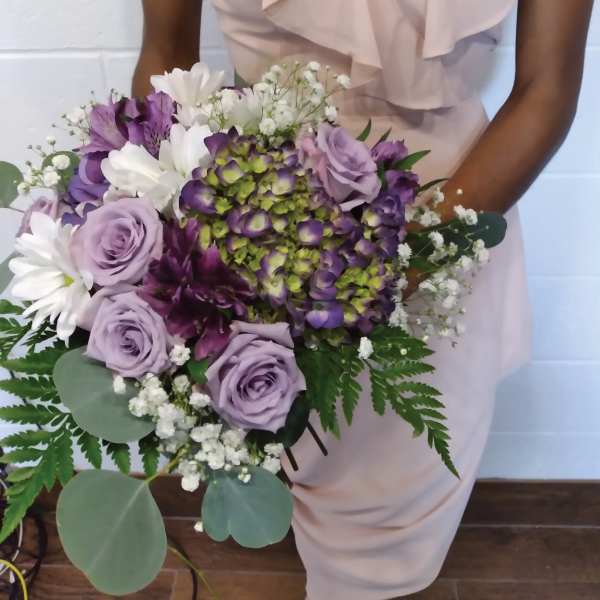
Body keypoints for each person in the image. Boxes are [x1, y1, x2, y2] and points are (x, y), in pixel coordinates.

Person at [133, 1, 593, 598]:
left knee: (390, 522)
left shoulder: (418, 256)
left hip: (442, 217)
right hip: (245, 227)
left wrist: (387, 275)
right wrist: (152, 221)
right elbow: (167, 56)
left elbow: (546, 90)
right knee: (274, 455)